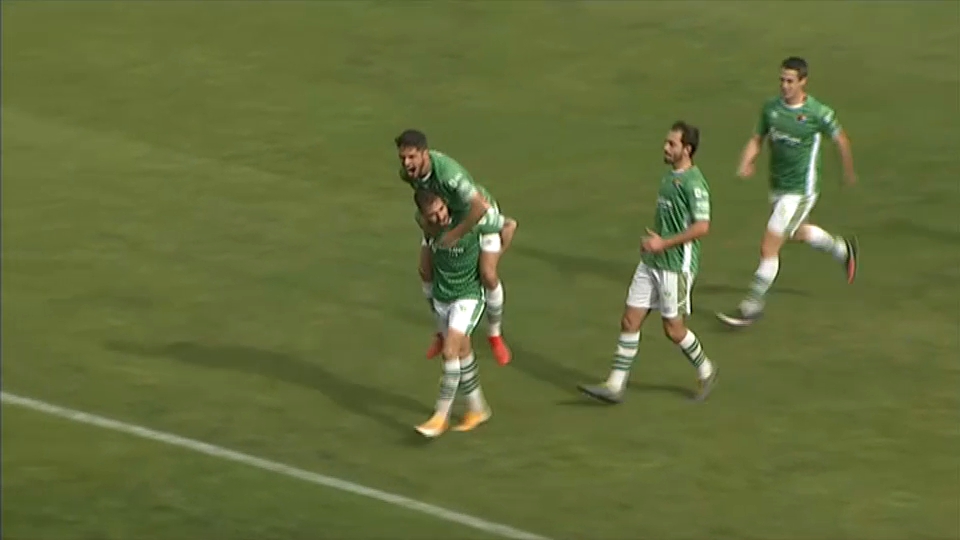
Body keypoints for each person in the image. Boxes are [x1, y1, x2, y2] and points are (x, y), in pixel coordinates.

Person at [578, 121, 718, 404]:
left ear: (687, 150)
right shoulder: (669, 177)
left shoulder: (695, 184)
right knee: (630, 319)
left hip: (676, 266)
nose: (665, 148)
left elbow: (703, 227)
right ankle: (615, 385)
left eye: (672, 144)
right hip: (652, 261)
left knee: (673, 330)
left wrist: (663, 243)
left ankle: (706, 369)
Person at [717, 56, 859, 327]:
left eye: (790, 81)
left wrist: (848, 171)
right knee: (796, 233)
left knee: (769, 246)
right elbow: (757, 138)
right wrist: (746, 161)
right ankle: (842, 250)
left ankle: (751, 306)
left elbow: (841, 139)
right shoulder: (771, 109)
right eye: (781, 80)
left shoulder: (818, 113)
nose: (784, 86)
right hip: (778, 187)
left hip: (800, 192)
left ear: (803, 82)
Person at [396, 129, 516, 364]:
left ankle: (495, 335)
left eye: (411, 157)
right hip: (443, 216)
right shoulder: (408, 174)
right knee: (424, 271)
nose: (406, 163)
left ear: (424, 154)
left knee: (488, 275)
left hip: (474, 214)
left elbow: (479, 207)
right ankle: (441, 332)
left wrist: (455, 235)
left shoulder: (449, 175)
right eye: (403, 158)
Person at [413, 189, 515, 437]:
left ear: (447, 204)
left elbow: (510, 225)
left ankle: (440, 416)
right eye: (432, 215)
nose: (439, 217)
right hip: (443, 296)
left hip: (468, 297)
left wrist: (492, 260)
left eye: (441, 210)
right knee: (462, 349)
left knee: (450, 351)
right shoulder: (428, 228)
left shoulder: (473, 221)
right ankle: (478, 408)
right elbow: (424, 269)